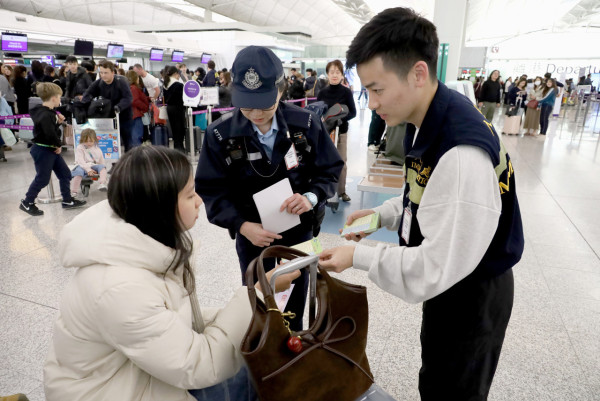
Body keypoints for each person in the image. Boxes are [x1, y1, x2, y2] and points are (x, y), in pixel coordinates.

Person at [318, 7, 523, 401]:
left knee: (452, 390)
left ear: (418, 73)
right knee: (436, 379)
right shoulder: (429, 117)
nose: (372, 103)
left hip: (471, 293)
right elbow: (427, 192)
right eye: (367, 91)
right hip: (454, 279)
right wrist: (384, 213)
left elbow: (434, 266)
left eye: (377, 89)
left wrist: (358, 256)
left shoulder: (461, 153)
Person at [44, 145, 298, 401]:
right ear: (160, 205)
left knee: (256, 361)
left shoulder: (147, 241)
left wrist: (241, 313)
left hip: (136, 368)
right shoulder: (120, 288)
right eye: (189, 195)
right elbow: (199, 366)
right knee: (259, 375)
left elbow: (168, 319)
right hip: (111, 389)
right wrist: (256, 295)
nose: (199, 201)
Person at [195, 46, 343, 332]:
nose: (255, 114)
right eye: (246, 105)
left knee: (295, 297)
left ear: (280, 90)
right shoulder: (219, 135)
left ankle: (294, 344)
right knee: (258, 297)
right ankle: (263, 349)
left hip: (298, 227)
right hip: (252, 233)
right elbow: (211, 190)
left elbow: (330, 170)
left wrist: (311, 197)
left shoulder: (306, 124)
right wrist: (241, 225)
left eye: (264, 104)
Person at [19, 83, 86, 216]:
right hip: (44, 150)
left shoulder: (44, 112)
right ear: (54, 98)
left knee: (65, 174)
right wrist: (58, 145)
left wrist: (58, 123)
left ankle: (67, 200)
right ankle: (27, 202)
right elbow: (50, 134)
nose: (60, 100)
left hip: (49, 149)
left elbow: (50, 130)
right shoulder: (46, 115)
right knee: (43, 178)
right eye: (59, 97)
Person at [317, 59, 357, 202]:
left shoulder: (346, 92)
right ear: (327, 74)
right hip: (326, 133)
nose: (334, 75)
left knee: (341, 161)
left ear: (342, 75)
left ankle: (341, 192)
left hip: (341, 132)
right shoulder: (322, 93)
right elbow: (318, 112)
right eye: (331, 72)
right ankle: (324, 192)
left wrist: (340, 121)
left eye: (337, 72)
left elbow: (353, 112)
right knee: (325, 162)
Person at [81, 60, 134, 151]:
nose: (103, 75)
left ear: (112, 72)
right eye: (101, 72)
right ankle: (114, 162)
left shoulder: (121, 82)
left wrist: (119, 106)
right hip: (108, 116)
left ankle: (129, 161)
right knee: (111, 141)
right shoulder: (99, 83)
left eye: (106, 73)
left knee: (128, 141)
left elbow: (128, 98)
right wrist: (85, 103)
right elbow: (88, 93)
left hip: (124, 116)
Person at [70, 128, 108, 195]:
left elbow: (101, 160)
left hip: (93, 165)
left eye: (90, 141)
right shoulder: (80, 148)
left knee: (102, 167)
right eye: (86, 141)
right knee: (78, 172)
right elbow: (81, 161)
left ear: (94, 140)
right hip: (81, 165)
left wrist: (100, 169)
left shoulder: (97, 148)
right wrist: (88, 170)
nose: (88, 143)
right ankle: (74, 191)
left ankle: (102, 183)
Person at [163, 66, 187, 152]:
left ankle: (176, 148)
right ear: (176, 74)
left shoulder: (165, 84)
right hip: (178, 108)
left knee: (174, 129)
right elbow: (183, 98)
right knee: (180, 129)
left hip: (169, 108)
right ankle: (180, 148)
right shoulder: (178, 85)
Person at [124, 70, 150, 148]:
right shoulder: (134, 88)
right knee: (137, 136)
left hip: (130, 115)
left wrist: (147, 99)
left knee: (133, 137)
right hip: (136, 115)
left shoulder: (127, 87)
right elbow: (135, 100)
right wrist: (144, 107)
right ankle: (137, 156)